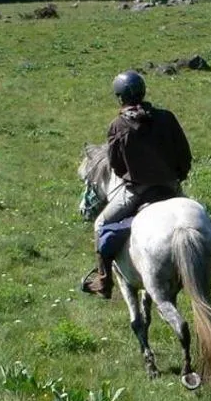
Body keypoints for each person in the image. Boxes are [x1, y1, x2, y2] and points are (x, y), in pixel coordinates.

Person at [82, 70, 192, 299]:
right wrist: (177, 176)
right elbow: (184, 153)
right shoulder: (166, 117)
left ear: (120, 97)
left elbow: (116, 165)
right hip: (170, 187)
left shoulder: (117, 126)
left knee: (100, 224)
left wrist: (132, 176)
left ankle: (104, 280)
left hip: (136, 190)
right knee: (195, 216)